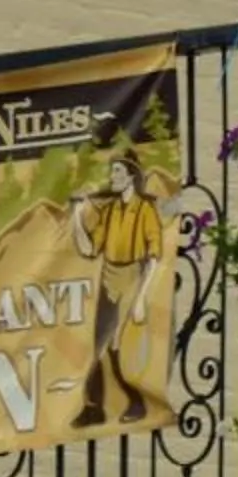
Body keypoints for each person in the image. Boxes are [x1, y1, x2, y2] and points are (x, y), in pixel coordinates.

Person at [68, 142, 165, 427]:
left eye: (118, 172)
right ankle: (94, 408)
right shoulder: (109, 211)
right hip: (108, 278)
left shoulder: (145, 210)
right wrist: (76, 215)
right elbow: (88, 249)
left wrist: (140, 299)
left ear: (132, 176)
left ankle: (135, 400)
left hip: (132, 276)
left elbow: (155, 256)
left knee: (116, 346)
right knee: (99, 346)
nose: (113, 177)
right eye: (113, 172)